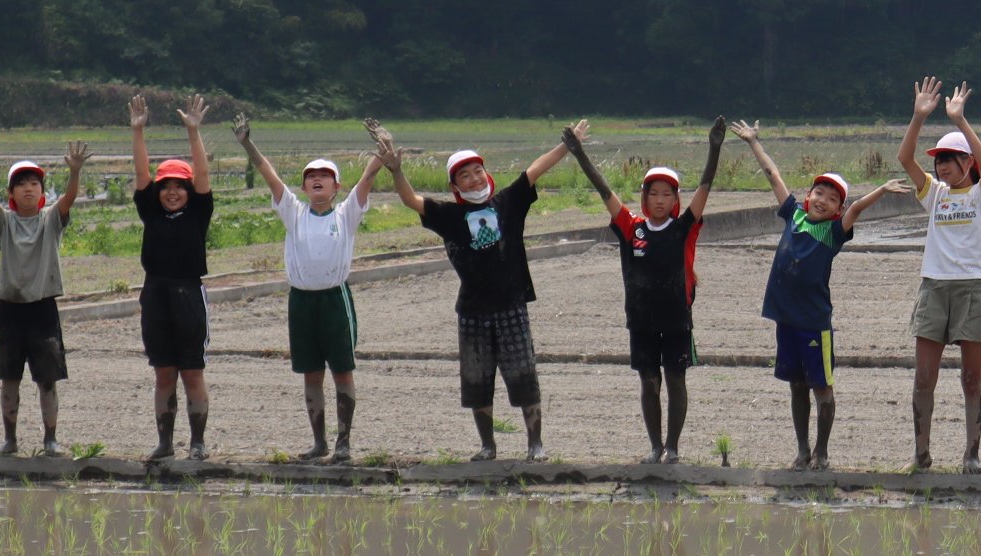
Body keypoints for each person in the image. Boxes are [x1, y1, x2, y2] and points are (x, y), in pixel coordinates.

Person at [372, 119, 589, 460]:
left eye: (476, 171)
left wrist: (568, 146)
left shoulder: (506, 203)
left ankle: (535, 443)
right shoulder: (449, 215)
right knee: (477, 380)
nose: (473, 178)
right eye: (464, 175)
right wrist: (396, 171)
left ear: (485, 173)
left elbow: (534, 171)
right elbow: (411, 200)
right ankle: (488, 446)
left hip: (511, 305)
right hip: (472, 310)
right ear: (454, 184)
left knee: (523, 374)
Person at [741, 123, 899, 468]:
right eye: (819, 193)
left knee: (822, 388)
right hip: (787, 321)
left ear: (837, 209)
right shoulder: (794, 215)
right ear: (807, 195)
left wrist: (882, 189)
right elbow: (772, 174)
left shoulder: (832, 233)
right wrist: (755, 142)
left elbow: (856, 209)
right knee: (796, 385)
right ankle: (801, 451)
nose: (823, 200)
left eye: (832, 198)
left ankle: (822, 453)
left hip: (814, 324)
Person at [578, 122, 727, 463]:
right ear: (644, 197)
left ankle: (673, 448)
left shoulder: (683, 228)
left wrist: (714, 149)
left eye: (667, 194)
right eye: (653, 194)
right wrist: (580, 154)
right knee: (648, 382)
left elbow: (705, 188)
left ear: (676, 199)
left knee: (675, 379)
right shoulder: (632, 228)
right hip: (641, 320)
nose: (660, 200)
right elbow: (604, 192)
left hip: (677, 320)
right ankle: (654, 446)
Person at [235, 116, 379, 462]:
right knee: (310, 373)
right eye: (311, 176)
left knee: (342, 370)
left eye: (324, 176)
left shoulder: (346, 214)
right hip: (301, 301)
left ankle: (343, 442)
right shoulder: (294, 213)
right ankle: (319, 442)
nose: (317, 180)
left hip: (334, 299)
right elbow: (269, 174)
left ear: (336, 187)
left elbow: (369, 177)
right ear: (303, 188)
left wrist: (381, 148)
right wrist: (247, 144)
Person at [0, 141, 89, 456]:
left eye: (34, 183)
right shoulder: (6, 222)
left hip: (43, 309)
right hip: (10, 309)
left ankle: (50, 439)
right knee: (9, 378)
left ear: (42, 192)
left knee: (47, 379)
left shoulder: (51, 220)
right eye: (21, 184)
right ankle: (9, 440)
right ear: (11, 194)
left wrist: (75, 171)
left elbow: (70, 197)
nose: (28, 188)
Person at [899, 77, 981, 473]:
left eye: (948, 159)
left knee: (972, 379)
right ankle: (921, 453)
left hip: (973, 288)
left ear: (966, 163)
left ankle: (972, 453)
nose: (940, 166)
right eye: (938, 160)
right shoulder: (934, 193)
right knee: (924, 377)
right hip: (934, 287)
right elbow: (906, 159)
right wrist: (918, 116)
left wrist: (960, 121)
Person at [129, 91, 216, 462]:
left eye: (179, 186)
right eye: (166, 187)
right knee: (163, 373)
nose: (172, 192)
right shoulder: (151, 212)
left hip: (188, 294)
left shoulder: (199, 211)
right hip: (156, 294)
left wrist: (193, 133)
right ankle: (165, 443)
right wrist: (138, 133)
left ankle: (197, 443)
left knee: (192, 372)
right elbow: (141, 175)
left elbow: (202, 176)